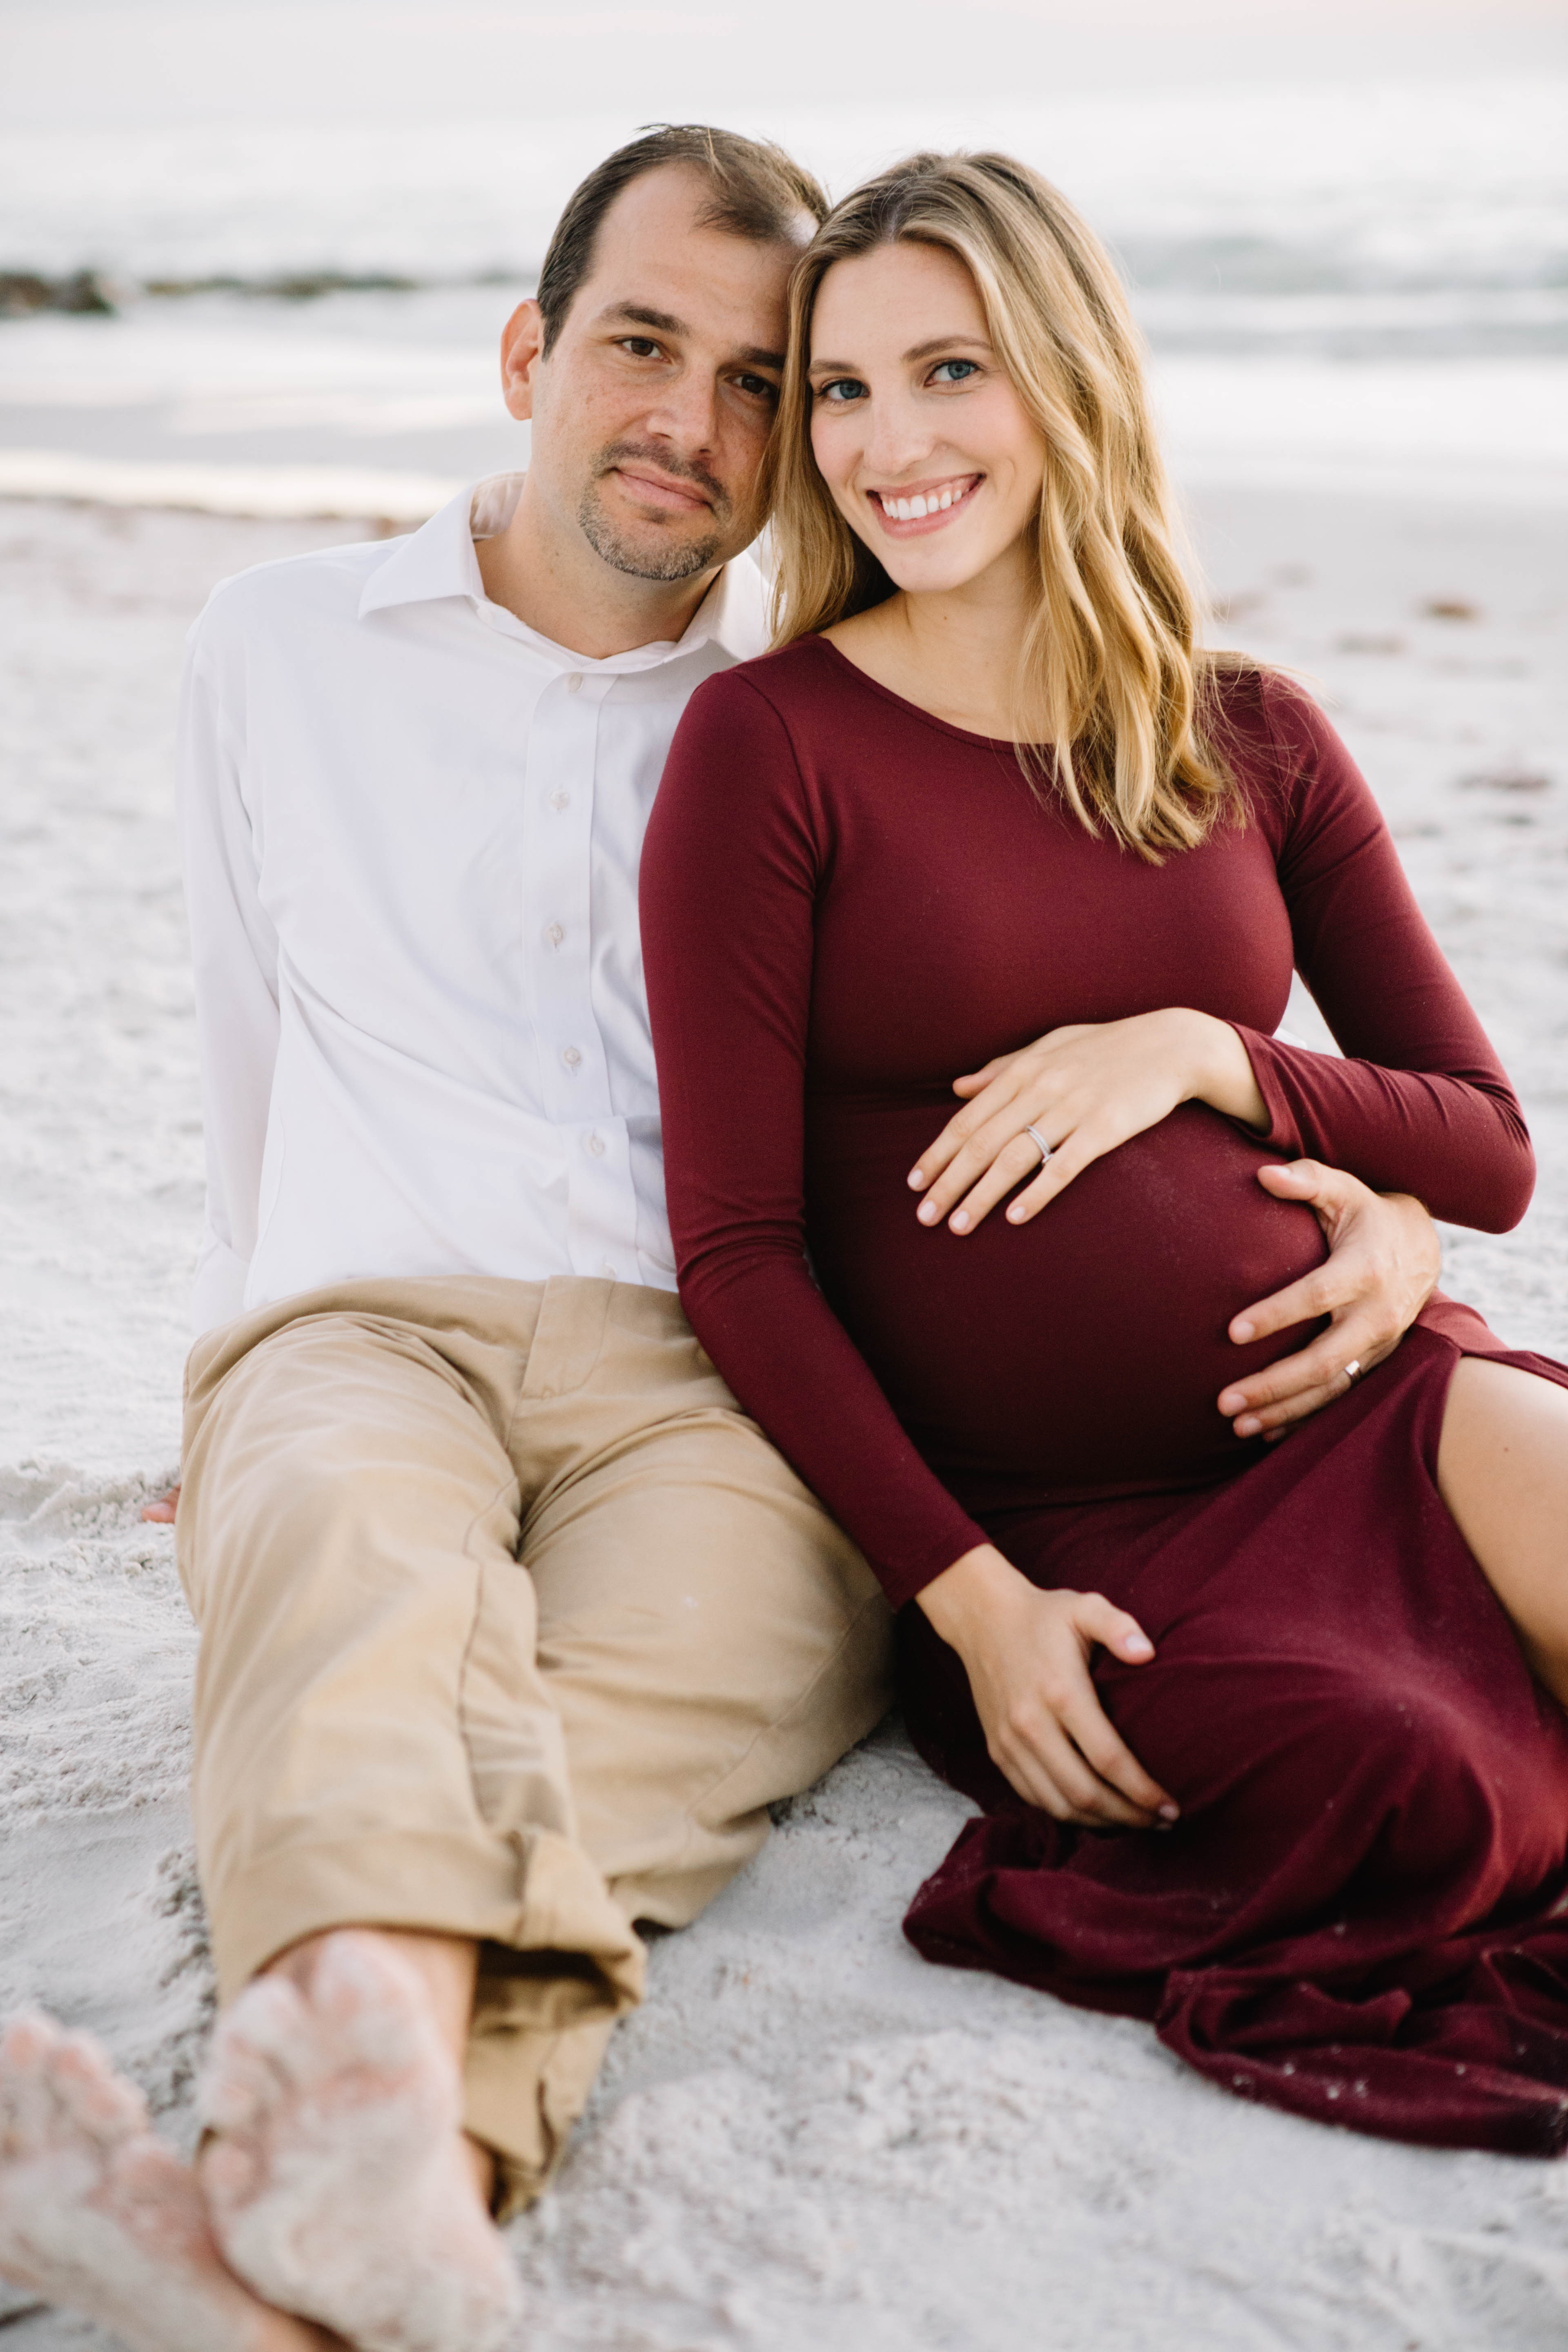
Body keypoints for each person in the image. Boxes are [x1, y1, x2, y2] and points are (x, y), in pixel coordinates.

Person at [0, 131, 1439, 2352]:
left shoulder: (830, 707)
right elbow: (238, 1041)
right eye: (642, 346)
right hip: (368, 1319)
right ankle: (380, 2109)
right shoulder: (275, 644)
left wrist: (1393, 1203)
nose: (700, 419)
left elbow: (1097, 975)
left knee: (668, 1705)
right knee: (367, 1592)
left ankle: (337, 2203)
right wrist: (233, 1363)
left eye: (765, 380)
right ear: (529, 353)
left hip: (716, 1373)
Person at [640, 149, 1568, 2159]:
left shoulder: (1252, 732)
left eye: (949, 369)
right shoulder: (773, 746)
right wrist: (967, 1599)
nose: (891, 441)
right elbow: (736, 1251)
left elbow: (1488, 1150)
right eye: (840, 389)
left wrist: (1215, 1061)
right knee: (1407, 1786)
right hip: (1067, 1523)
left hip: (1377, 1410)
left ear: (1065, 377)